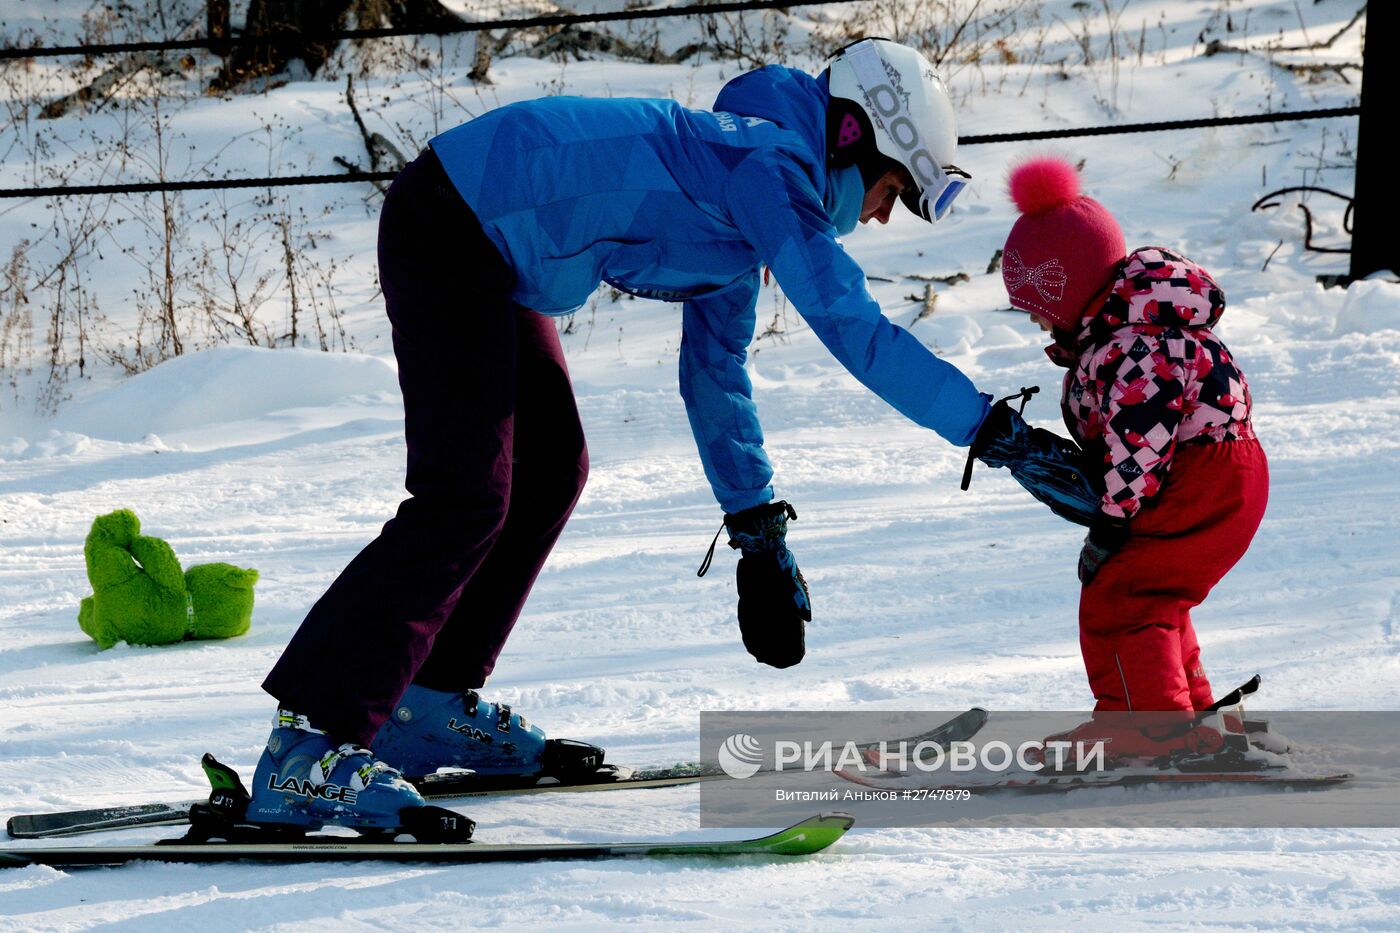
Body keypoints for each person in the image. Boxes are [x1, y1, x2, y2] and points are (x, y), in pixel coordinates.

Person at [241, 38, 1011, 832]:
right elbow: (853, 325)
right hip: (452, 223)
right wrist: (989, 429)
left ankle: (425, 702)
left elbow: (715, 376)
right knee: (463, 493)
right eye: (892, 189)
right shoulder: (766, 171)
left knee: (549, 470)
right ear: (852, 137)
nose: (883, 214)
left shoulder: (744, 207)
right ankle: (307, 745)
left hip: (498, 253)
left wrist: (758, 531)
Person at [979, 155, 1269, 762]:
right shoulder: (1137, 329)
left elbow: (1143, 439)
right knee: (1154, 596)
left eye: (1038, 305)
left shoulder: (1140, 343)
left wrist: (1115, 517)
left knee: (1122, 596)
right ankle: (1186, 716)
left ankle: (1145, 729)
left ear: (1071, 288)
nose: (1034, 320)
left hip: (1198, 477)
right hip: (1216, 473)